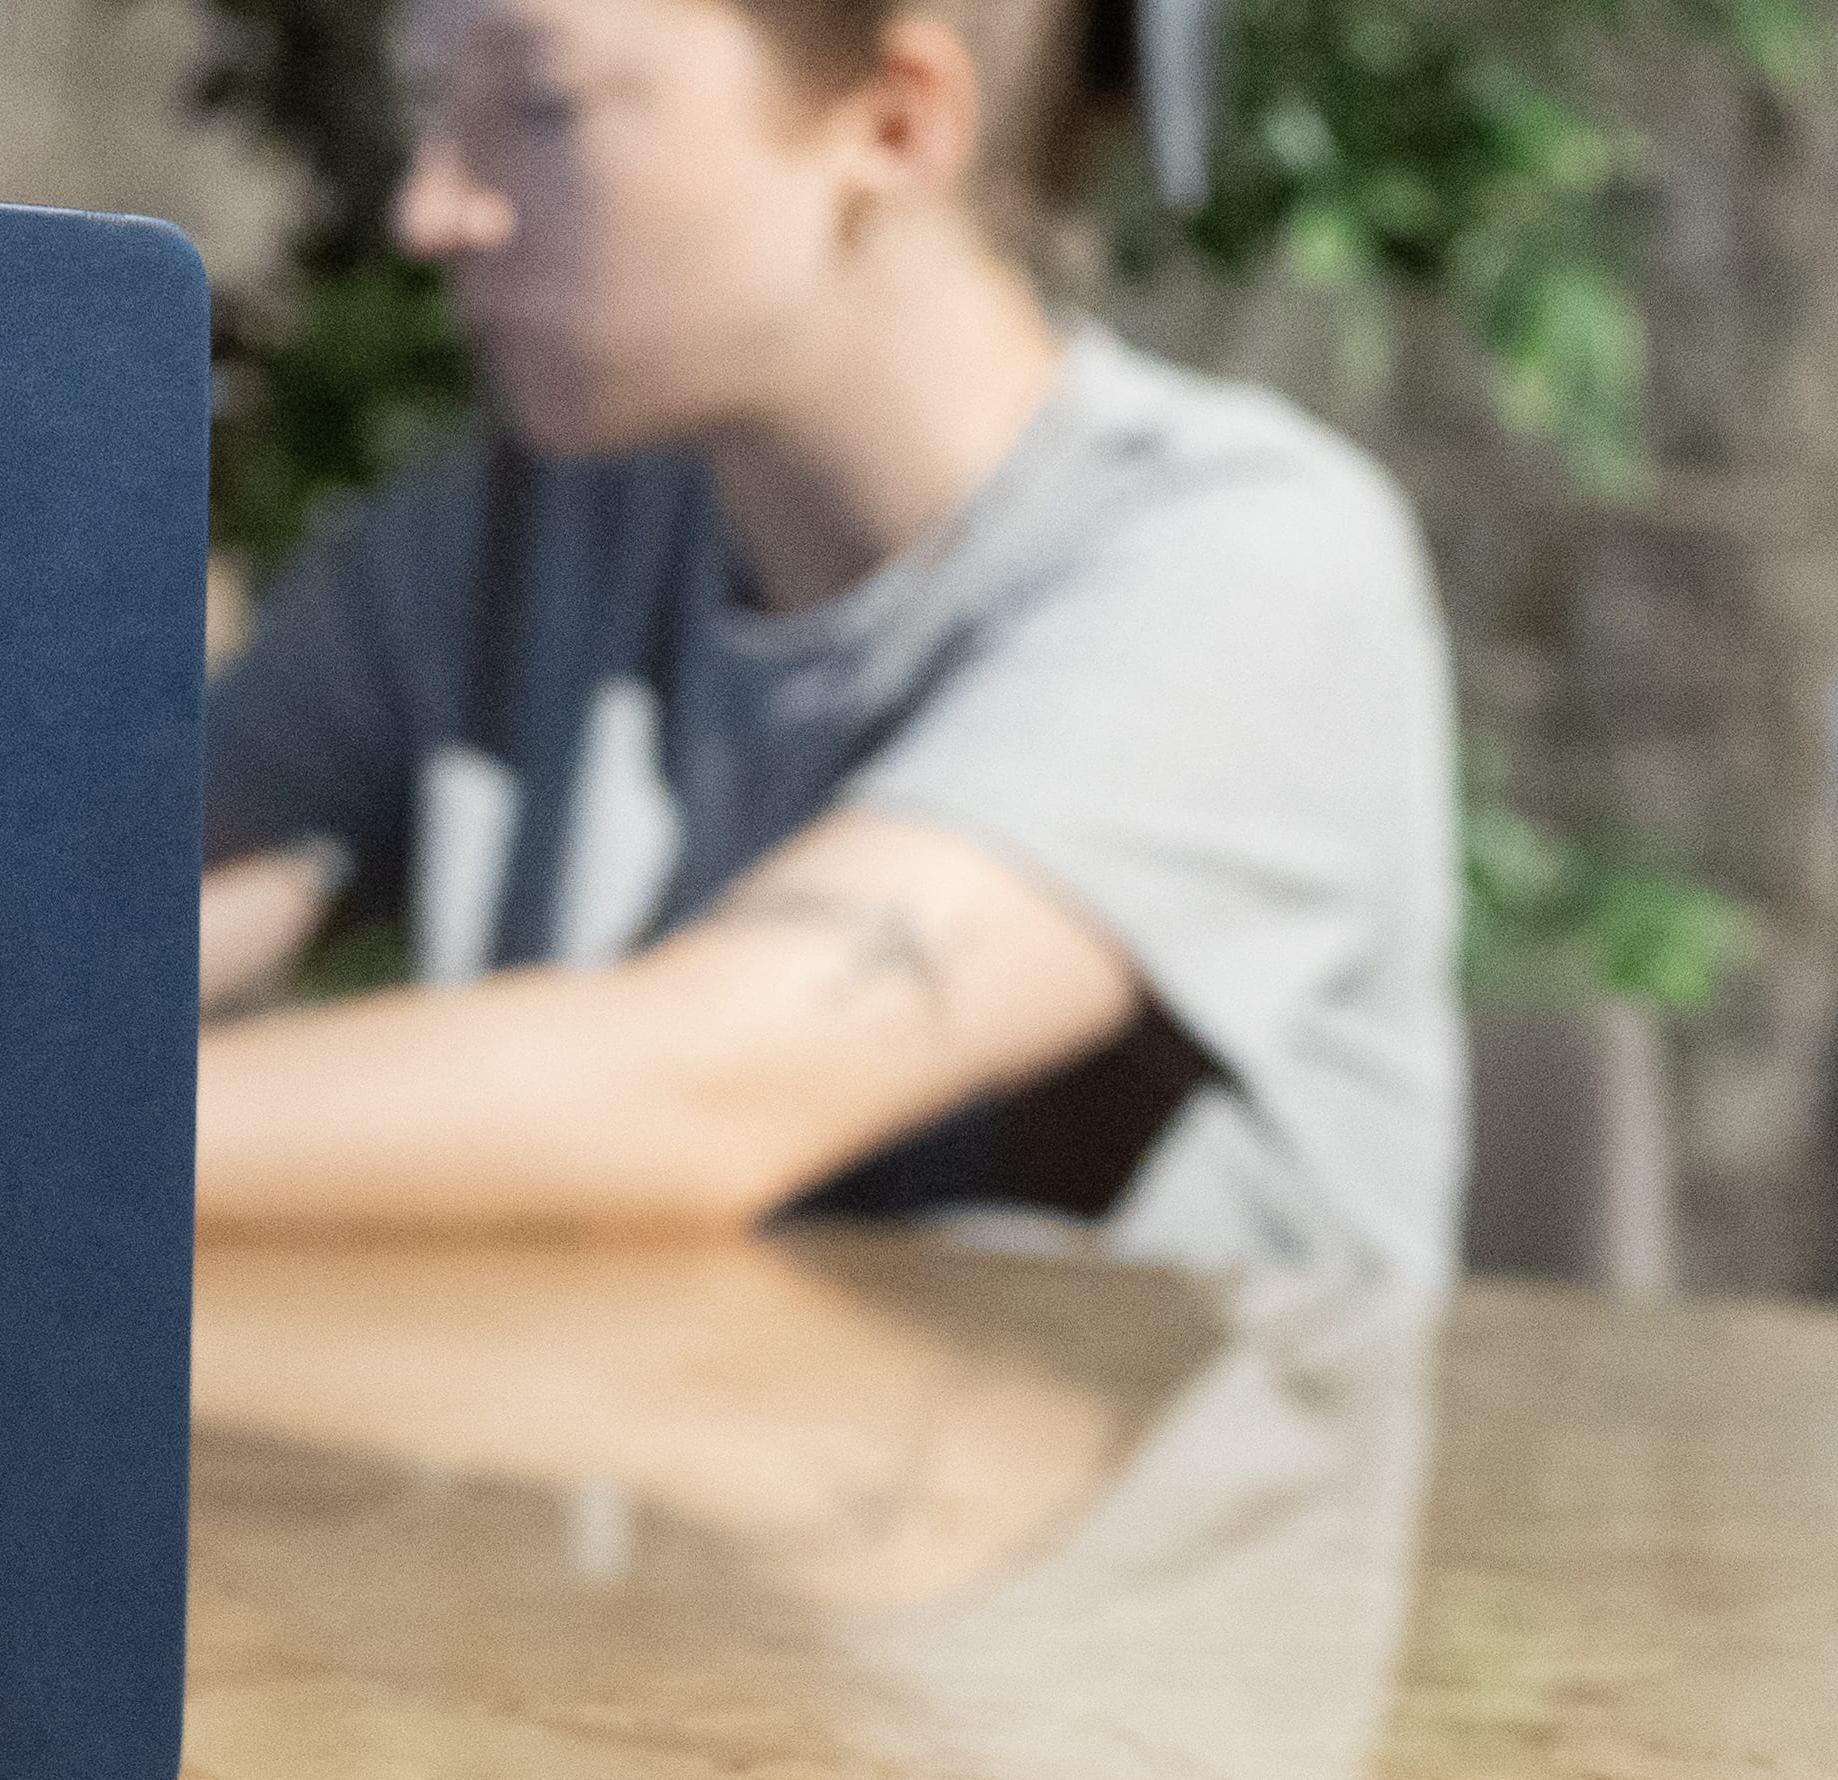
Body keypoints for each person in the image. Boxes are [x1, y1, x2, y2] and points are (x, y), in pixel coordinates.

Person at [195, 0, 1464, 1285]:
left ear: (897, 125)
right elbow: (109, 914)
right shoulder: (517, 531)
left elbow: (700, 1098)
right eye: (432, 107)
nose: (434, 211)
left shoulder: (1249, 557)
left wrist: (34, 1152)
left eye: (539, 107)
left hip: (1128, 1481)